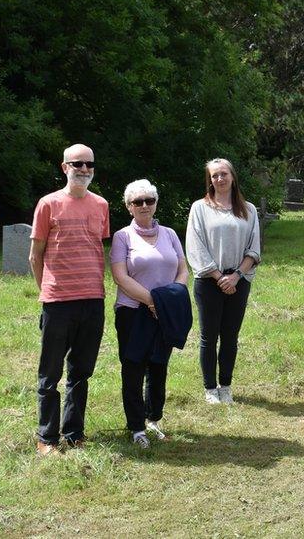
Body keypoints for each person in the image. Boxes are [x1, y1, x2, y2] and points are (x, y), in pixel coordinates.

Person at [29, 143, 110, 455]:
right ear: (64, 167)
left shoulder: (101, 205)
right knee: (50, 373)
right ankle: (46, 438)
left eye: (89, 164)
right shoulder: (47, 204)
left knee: (81, 372)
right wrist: (46, 290)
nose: (84, 170)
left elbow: (96, 249)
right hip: (58, 302)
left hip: (93, 300)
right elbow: (35, 256)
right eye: (77, 164)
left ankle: (74, 433)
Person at [110, 179, 190, 448]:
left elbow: (183, 269)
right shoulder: (122, 237)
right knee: (133, 367)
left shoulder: (169, 234)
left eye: (149, 200)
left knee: (159, 366)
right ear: (129, 206)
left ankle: (153, 418)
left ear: (155, 203)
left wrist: (170, 299)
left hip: (163, 313)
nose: (144, 205)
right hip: (133, 312)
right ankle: (135, 427)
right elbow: (120, 276)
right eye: (138, 202)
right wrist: (153, 301)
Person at [186, 159, 261, 405]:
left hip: (239, 280)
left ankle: (225, 385)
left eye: (224, 174)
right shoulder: (200, 208)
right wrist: (219, 277)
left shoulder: (248, 209)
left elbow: (254, 248)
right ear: (210, 180)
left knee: (230, 336)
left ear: (232, 176)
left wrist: (236, 276)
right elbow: (195, 246)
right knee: (209, 336)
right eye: (215, 175)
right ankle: (210, 388)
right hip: (209, 281)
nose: (220, 179)